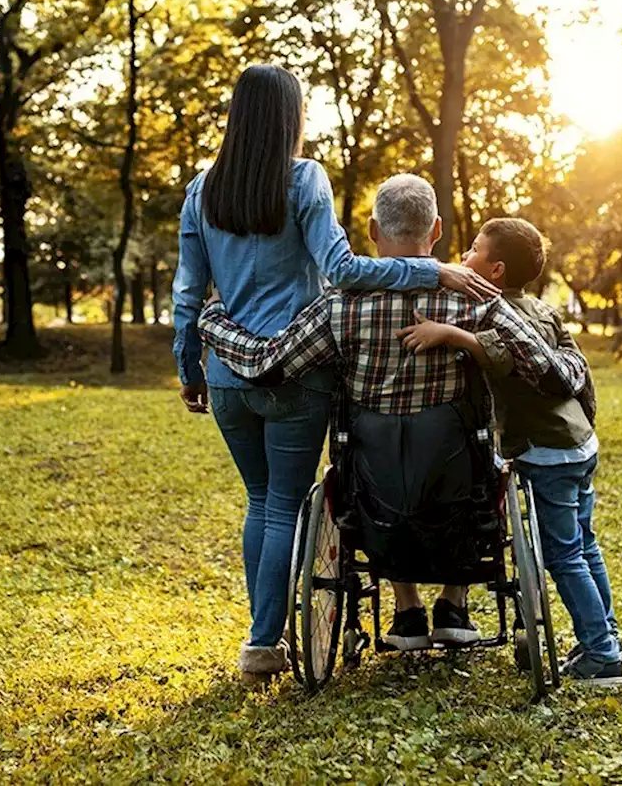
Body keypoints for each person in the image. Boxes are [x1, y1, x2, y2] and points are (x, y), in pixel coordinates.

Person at [172, 65, 496, 686]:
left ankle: (262, 641)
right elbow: (343, 270)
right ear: (290, 117)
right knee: (283, 506)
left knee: (260, 501)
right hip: (296, 369)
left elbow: (188, 293)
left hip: (228, 373)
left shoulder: (201, 191)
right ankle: (264, 644)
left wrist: (189, 366)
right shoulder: (302, 179)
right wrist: (432, 273)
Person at [197, 174, 589, 657]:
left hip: (372, 491)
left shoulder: (340, 305)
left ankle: (406, 608)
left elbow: (264, 364)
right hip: (460, 487)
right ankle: (452, 602)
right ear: (438, 229)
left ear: (372, 232)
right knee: (464, 452)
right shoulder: (474, 298)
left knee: (377, 466)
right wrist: (575, 366)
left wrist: (211, 320)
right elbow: (546, 369)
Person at [399, 217, 622, 688]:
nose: (464, 255)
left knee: (564, 556)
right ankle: (605, 637)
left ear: (495, 269)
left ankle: (602, 656)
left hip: (546, 451)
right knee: (585, 545)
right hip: (579, 441)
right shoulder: (543, 310)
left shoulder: (497, 316)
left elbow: (499, 355)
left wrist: (447, 334)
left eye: (474, 250)